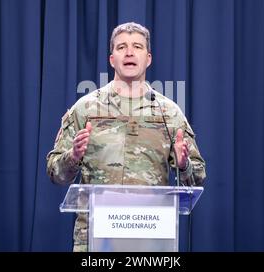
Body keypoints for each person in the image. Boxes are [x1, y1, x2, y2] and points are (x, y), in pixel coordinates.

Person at [46, 22, 206, 252]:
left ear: (148, 58)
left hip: (150, 241)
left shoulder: (168, 113)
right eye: (122, 47)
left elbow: (198, 177)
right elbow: (55, 174)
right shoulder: (85, 109)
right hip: (96, 242)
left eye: (137, 47)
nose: (129, 52)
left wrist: (184, 165)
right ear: (112, 59)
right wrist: (72, 156)